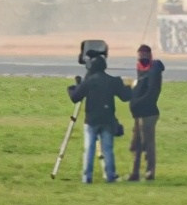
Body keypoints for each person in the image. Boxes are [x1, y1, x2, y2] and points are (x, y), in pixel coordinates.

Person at [67, 53, 131, 183]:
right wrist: (130, 87)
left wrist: (73, 87)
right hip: (108, 120)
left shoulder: (90, 81)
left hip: (91, 120)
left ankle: (87, 177)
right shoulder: (113, 81)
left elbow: (75, 97)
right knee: (107, 149)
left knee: (89, 149)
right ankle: (110, 175)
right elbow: (125, 96)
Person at [128, 44, 164, 181]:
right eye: (139, 56)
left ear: (149, 55)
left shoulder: (154, 71)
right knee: (136, 142)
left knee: (148, 143)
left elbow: (152, 93)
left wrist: (136, 103)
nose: (141, 58)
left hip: (149, 113)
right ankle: (135, 172)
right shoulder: (141, 70)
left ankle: (149, 172)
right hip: (139, 112)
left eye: (143, 55)